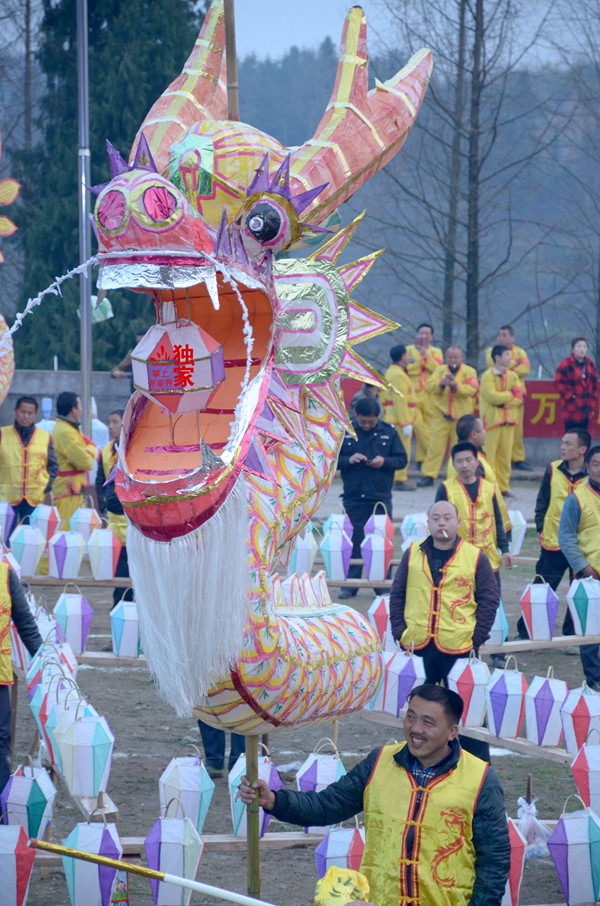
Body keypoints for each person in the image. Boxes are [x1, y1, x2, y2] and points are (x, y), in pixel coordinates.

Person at [239, 684, 510, 906]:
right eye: (410, 716)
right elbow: (327, 804)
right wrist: (274, 800)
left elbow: (494, 861)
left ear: (452, 732)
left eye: (428, 722)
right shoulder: (380, 760)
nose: (415, 728)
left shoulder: (481, 778)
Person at [389, 500, 500, 683]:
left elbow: (489, 599)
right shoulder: (412, 553)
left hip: (459, 644)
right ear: (428, 523)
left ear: (458, 522)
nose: (441, 523)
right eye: (436, 518)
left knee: (455, 703)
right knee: (418, 700)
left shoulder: (476, 557)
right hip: (416, 642)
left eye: (447, 518)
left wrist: (477, 638)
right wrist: (399, 631)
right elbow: (397, 593)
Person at [516, 429, 590, 643]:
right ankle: (527, 631)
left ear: (582, 449)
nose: (563, 447)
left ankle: (572, 635)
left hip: (581, 544)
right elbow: (542, 501)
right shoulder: (552, 469)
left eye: (568, 444)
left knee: (579, 589)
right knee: (542, 586)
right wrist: (540, 527)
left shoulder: (592, 474)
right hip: (552, 540)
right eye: (562, 443)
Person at [337, 396, 407, 599]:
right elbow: (332, 459)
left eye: (371, 421)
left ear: (378, 417)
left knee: (380, 542)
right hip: (353, 496)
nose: (367, 425)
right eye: (363, 421)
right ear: (356, 416)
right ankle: (350, 584)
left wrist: (384, 461)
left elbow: (402, 459)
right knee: (354, 540)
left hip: (379, 498)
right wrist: (349, 460)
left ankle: (381, 584)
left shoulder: (389, 432)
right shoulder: (346, 431)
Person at [557, 445, 600, 690]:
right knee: (590, 632)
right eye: (595, 464)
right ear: (587, 467)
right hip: (589, 577)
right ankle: (595, 680)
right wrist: (584, 567)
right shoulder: (577, 498)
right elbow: (566, 537)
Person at [0, 562, 43, 793]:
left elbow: (25, 623)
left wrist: (44, 661)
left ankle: (1, 808)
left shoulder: (5, 575)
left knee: (1, 741)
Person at [416, 346, 479, 487]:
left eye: (456, 357)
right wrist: (441, 384)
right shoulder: (440, 370)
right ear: (446, 358)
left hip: (460, 418)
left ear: (461, 357)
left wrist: (455, 385)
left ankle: (456, 476)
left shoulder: (469, 371)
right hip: (441, 414)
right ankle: (429, 475)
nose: (453, 360)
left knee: (459, 448)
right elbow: (430, 386)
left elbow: (472, 389)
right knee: (435, 447)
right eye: (450, 357)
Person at [446, 413, 512, 539]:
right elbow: (479, 498)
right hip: (480, 530)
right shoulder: (472, 462)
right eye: (482, 430)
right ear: (474, 434)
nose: (485, 432)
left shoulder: (461, 458)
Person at [0, 396, 58, 536]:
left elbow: (53, 465)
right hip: (6, 496)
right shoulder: (3, 433)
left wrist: (46, 486)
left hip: (35, 496)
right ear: (15, 411)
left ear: (35, 414)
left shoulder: (45, 437)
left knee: (31, 538)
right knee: (4, 537)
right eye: (22, 412)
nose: (25, 416)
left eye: (30, 413)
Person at [96, 410, 133, 609]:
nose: (110, 426)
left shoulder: (134, 450)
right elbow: (101, 482)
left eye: (114, 422)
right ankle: (119, 613)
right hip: (115, 525)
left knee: (133, 576)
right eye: (108, 422)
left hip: (134, 526)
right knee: (119, 575)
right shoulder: (106, 451)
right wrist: (104, 506)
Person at [485, 326, 532, 471]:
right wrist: (514, 364)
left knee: (517, 430)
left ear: (512, 337)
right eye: (499, 335)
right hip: (497, 399)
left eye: (505, 335)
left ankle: (518, 459)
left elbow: (526, 369)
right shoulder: (491, 351)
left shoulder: (520, 352)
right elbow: (491, 363)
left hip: (514, 399)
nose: (501, 338)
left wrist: (509, 367)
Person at [479, 345, 523, 495]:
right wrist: (509, 395)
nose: (509, 358)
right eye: (506, 355)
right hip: (492, 422)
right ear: (497, 357)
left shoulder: (513, 376)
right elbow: (492, 396)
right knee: (489, 456)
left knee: (505, 457)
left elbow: (519, 397)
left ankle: (503, 487)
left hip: (509, 422)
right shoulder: (487, 376)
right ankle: (489, 487)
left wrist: (502, 401)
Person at [52, 392, 98, 530]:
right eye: (80, 406)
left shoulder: (69, 428)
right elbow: (86, 462)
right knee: (68, 533)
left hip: (73, 490)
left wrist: (88, 448)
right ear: (73, 409)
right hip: (68, 492)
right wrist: (91, 448)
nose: (81, 409)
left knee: (76, 532)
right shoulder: (65, 431)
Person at [405, 323, 444, 465]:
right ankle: (431, 453)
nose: (424, 336)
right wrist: (422, 364)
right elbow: (408, 368)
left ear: (432, 336)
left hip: (431, 393)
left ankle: (422, 459)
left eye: (427, 333)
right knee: (418, 424)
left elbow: (438, 369)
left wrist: (424, 356)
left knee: (429, 427)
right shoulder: (408, 350)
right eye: (421, 333)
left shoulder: (436, 352)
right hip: (414, 393)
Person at [381, 344, 416, 490]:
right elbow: (400, 400)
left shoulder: (394, 372)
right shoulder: (398, 375)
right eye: (407, 355)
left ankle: (398, 478)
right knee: (402, 451)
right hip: (399, 420)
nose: (409, 357)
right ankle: (400, 479)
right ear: (402, 356)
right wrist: (405, 422)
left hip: (395, 418)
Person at [554, 337, 599, 432]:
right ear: (573, 350)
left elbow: (595, 384)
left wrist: (593, 399)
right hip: (571, 408)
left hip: (586, 408)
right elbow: (558, 383)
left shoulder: (590, 364)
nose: (582, 349)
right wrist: (571, 397)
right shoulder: (565, 364)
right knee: (571, 435)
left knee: (583, 437)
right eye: (579, 346)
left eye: (584, 347)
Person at [111, 328, 147, 393]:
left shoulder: (159, 353)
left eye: (142, 342)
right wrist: (116, 372)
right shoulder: (134, 353)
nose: (140, 345)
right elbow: (120, 367)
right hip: (137, 392)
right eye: (138, 342)